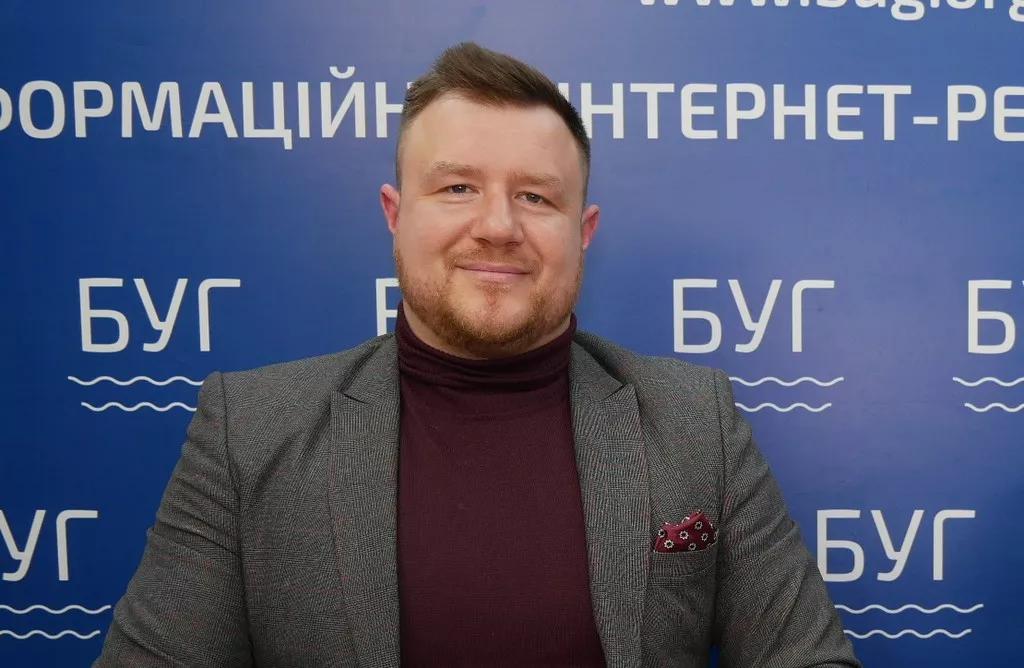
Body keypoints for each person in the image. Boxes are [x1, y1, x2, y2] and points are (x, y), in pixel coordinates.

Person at [94, 42, 861, 668]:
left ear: (583, 232)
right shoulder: (249, 431)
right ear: (396, 215)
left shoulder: (697, 423)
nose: (497, 226)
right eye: (458, 187)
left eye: (536, 196)